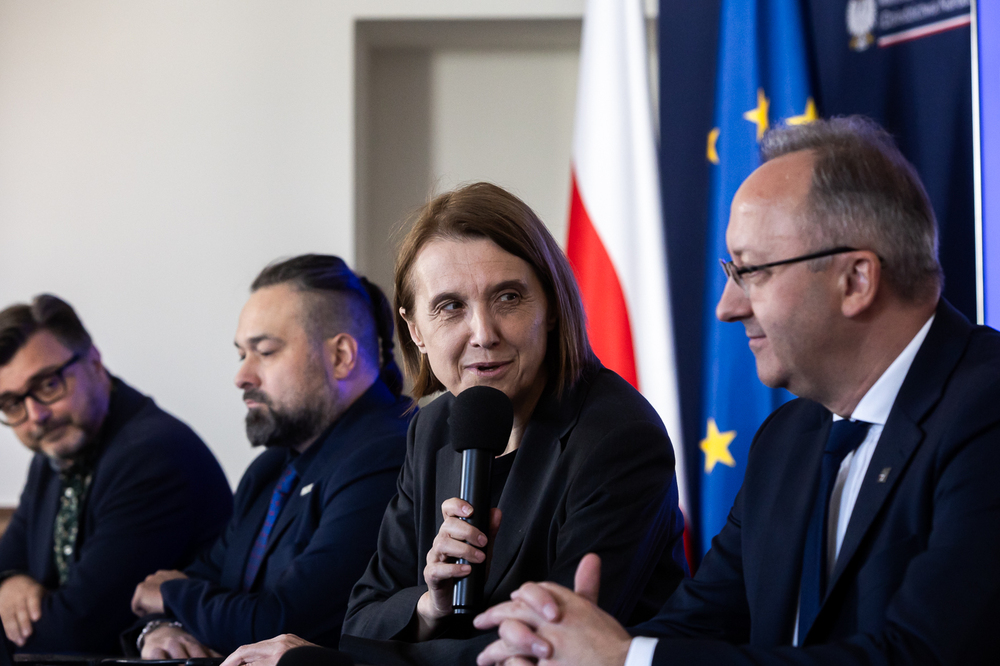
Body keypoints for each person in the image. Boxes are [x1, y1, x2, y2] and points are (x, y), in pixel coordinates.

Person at [474, 116, 1000, 665]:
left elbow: (923, 656)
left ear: (856, 281)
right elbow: (697, 627)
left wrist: (624, 661)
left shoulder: (986, 414)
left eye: (752, 272)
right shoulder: (787, 439)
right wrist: (556, 647)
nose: (727, 306)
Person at [224, 183, 689, 666]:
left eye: (508, 298)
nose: (484, 334)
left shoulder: (617, 437)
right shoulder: (433, 427)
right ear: (415, 330)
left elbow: (542, 650)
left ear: (550, 309)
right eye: (450, 307)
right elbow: (360, 623)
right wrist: (429, 606)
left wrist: (325, 665)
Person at [127, 255, 413, 658]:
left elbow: (282, 623)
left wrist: (173, 595)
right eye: (241, 354)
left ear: (341, 356)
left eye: (264, 351)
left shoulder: (389, 455)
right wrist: (161, 626)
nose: (242, 376)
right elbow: (201, 578)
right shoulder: (270, 469)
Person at [0, 294, 232, 655]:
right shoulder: (54, 450)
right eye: (12, 404)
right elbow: (7, 558)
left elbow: (77, 633)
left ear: (94, 361)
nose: (35, 416)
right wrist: (9, 581)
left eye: (48, 385)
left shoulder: (153, 456)